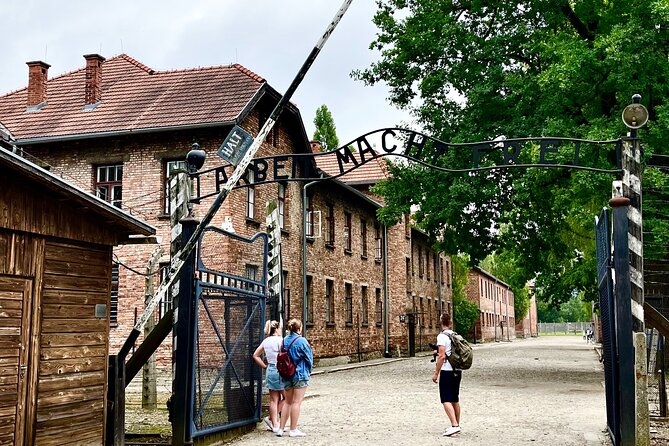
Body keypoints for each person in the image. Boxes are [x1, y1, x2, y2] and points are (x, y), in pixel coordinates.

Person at [276, 318, 313, 438]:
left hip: (287, 374)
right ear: (299, 328)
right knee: (296, 402)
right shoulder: (302, 341)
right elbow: (309, 358)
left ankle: (281, 429)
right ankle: (293, 429)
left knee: (287, 402)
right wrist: (309, 371)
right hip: (300, 374)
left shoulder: (284, 340)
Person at [432, 312, 462, 437]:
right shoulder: (455, 335)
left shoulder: (442, 337)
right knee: (455, 399)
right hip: (457, 370)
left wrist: (436, 373)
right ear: (450, 322)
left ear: (441, 322)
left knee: (445, 399)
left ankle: (454, 425)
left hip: (447, 371)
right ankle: (456, 424)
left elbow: (442, 356)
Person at [252, 320, 285, 433]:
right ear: (276, 329)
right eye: (280, 328)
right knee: (286, 398)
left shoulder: (266, 341)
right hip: (280, 370)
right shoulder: (281, 340)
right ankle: (272, 418)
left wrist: (264, 366)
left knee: (273, 399)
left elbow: (255, 355)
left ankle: (274, 423)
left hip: (270, 369)